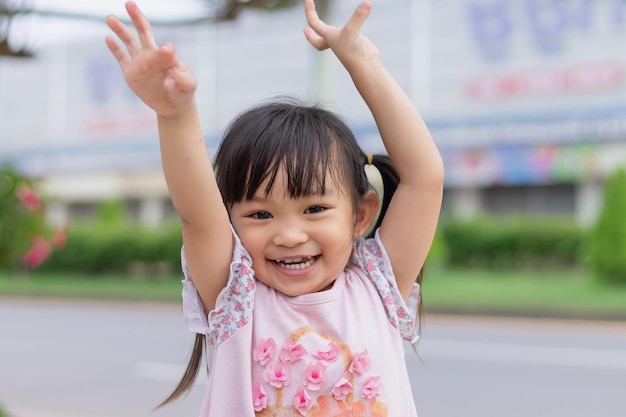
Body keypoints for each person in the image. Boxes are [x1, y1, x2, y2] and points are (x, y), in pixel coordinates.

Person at [106, 0, 443, 415]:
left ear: (361, 214)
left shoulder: (377, 287)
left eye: (315, 209)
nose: (289, 235)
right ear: (230, 222)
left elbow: (425, 179)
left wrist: (363, 65)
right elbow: (198, 215)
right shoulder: (236, 298)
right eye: (260, 214)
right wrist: (175, 114)